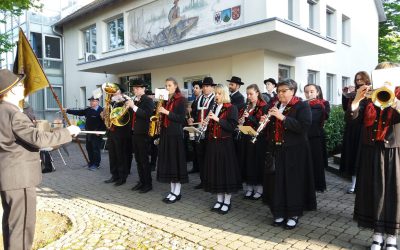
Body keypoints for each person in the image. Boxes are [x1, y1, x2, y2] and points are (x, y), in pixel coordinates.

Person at [0, 69, 80, 250]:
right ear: (11, 90)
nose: (23, 87)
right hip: (20, 179)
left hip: (9, 178)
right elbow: (39, 140)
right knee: (21, 229)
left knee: (12, 225)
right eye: (20, 85)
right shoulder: (14, 114)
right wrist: (68, 132)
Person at [350, 62, 400, 250]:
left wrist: (394, 100)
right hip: (371, 150)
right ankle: (377, 236)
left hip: (395, 150)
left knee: (393, 193)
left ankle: (392, 238)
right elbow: (353, 118)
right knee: (374, 193)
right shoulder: (369, 97)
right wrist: (356, 100)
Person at [264, 79, 316, 230]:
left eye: (283, 91)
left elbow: (304, 127)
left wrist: (282, 117)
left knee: (292, 183)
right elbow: (274, 128)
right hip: (277, 149)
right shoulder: (276, 106)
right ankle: (279, 212)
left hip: (295, 151)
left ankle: (293, 215)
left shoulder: (302, 105)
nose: (280, 94)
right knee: (277, 182)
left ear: (292, 91)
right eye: (279, 91)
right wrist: (266, 121)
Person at [203, 84, 241, 214]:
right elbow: (213, 126)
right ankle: (219, 200)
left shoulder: (232, 108)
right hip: (213, 144)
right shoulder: (214, 107)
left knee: (226, 172)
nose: (216, 96)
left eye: (219, 94)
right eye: (216, 94)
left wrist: (217, 119)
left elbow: (231, 126)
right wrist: (206, 123)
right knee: (216, 172)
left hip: (225, 145)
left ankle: (227, 201)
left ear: (224, 94)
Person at [157, 77, 188, 203]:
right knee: (169, 162)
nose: (167, 88)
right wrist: (159, 111)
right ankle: (172, 190)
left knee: (176, 163)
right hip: (166, 134)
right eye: (165, 86)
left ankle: (177, 192)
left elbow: (181, 118)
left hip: (175, 135)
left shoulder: (181, 99)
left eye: (169, 85)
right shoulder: (164, 99)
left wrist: (166, 112)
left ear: (175, 86)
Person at [340, 71, 371, 194]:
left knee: (360, 156)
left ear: (366, 79)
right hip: (352, 128)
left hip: (363, 128)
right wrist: (345, 94)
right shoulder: (353, 93)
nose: (359, 82)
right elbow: (346, 109)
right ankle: (353, 184)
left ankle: (360, 185)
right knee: (353, 155)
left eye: (361, 79)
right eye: (357, 80)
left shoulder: (371, 91)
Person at [238, 84, 268, 200]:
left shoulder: (264, 106)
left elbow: (262, 124)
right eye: (247, 94)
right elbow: (241, 122)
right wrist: (240, 122)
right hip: (246, 137)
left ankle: (259, 190)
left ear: (257, 93)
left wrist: (249, 117)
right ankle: (249, 188)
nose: (249, 96)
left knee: (256, 164)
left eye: (251, 94)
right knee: (247, 163)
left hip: (258, 139)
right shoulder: (246, 106)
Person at [126, 79, 155, 193]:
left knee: (144, 160)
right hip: (135, 133)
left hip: (143, 134)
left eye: (137, 88)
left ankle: (148, 184)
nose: (135, 90)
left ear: (143, 89)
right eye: (134, 89)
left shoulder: (148, 100)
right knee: (138, 160)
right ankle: (141, 181)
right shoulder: (136, 101)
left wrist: (133, 106)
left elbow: (146, 115)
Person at [187, 77, 216, 188]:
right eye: (203, 86)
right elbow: (194, 113)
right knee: (200, 156)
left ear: (212, 87)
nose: (205, 88)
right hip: (198, 130)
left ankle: (211, 181)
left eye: (207, 86)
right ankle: (203, 181)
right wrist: (192, 119)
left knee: (209, 157)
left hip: (210, 132)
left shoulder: (215, 98)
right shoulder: (199, 98)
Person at [104, 84, 133, 186]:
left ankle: (122, 177)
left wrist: (124, 101)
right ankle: (114, 175)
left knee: (121, 155)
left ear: (120, 91)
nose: (112, 92)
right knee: (112, 155)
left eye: (115, 90)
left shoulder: (125, 101)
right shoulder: (111, 102)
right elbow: (107, 115)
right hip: (111, 131)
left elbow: (127, 116)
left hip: (121, 132)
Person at [66, 96, 105, 170]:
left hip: (97, 133)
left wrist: (99, 131)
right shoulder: (88, 110)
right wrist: (68, 111)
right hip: (88, 133)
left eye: (93, 101)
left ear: (97, 102)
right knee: (89, 148)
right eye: (90, 101)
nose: (91, 102)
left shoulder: (101, 111)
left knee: (95, 149)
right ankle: (91, 162)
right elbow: (79, 112)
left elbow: (104, 123)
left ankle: (96, 164)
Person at [304, 84, 329, 192]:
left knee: (316, 161)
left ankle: (317, 185)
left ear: (317, 92)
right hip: (305, 136)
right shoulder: (304, 104)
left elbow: (310, 119)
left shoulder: (321, 104)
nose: (309, 94)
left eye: (311, 91)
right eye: (306, 92)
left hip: (315, 135)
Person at [187, 80, 202, 174]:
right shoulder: (194, 100)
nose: (194, 90)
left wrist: (194, 119)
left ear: (201, 89)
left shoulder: (201, 100)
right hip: (192, 127)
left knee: (198, 147)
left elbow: (199, 114)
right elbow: (192, 114)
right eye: (194, 88)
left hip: (197, 126)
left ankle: (198, 167)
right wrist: (190, 117)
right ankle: (195, 166)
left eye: (196, 88)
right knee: (193, 146)